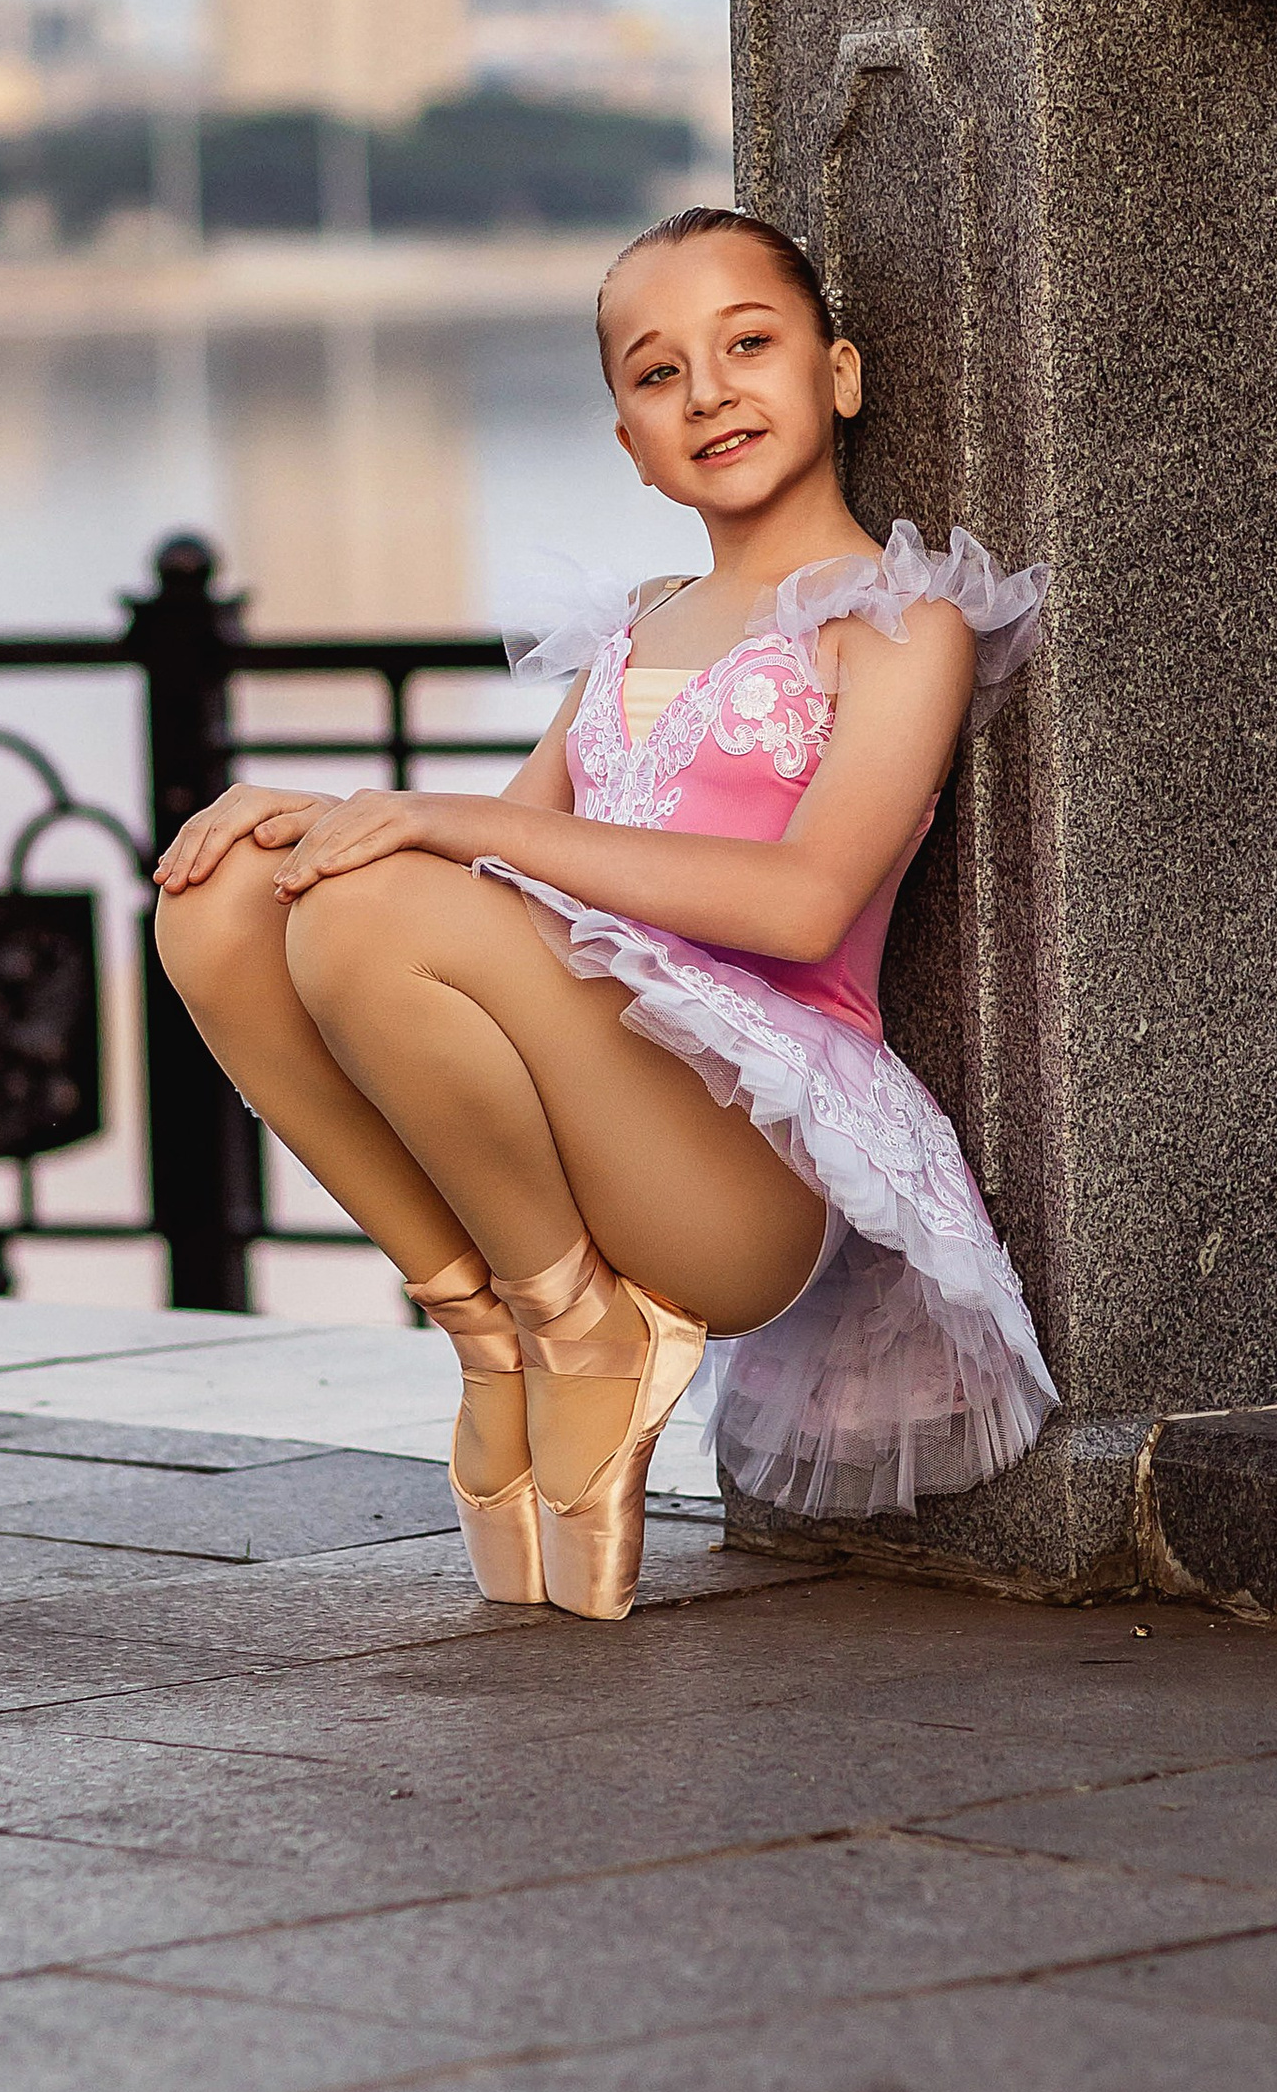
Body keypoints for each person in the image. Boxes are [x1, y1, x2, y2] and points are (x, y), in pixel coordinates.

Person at [153, 204, 1053, 1622]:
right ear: (630, 442)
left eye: (748, 343)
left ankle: (593, 1325)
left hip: (745, 1172)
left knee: (368, 906)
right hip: (603, 1115)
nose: (709, 390)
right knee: (228, 904)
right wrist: (314, 818)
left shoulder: (897, 619)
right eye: (657, 371)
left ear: (839, 372)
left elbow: (810, 900)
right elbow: (483, 886)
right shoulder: (633, 628)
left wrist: (456, 821)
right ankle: (495, 1325)